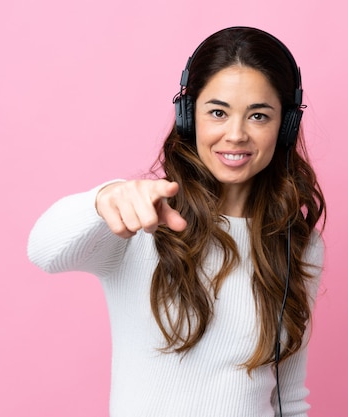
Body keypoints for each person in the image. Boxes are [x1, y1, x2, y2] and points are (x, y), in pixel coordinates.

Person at [28, 26, 326, 417]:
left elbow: (288, 397)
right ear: (189, 117)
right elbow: (44, 251)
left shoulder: (299, 243)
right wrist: (105, 197)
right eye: (217, 112)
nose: (235, 135)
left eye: (258, 115)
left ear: (284, 127)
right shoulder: (141, 218)